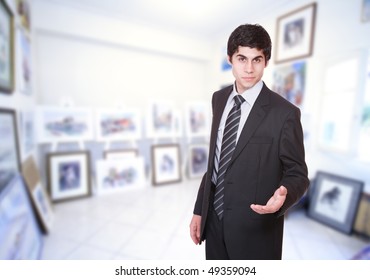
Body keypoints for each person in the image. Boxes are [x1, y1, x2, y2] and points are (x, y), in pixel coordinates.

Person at [189, 23, 309, 260]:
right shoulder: (219, 99)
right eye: (242, 58)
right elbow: (216, 160)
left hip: (255, 232)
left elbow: (298, 174)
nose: (249, 68)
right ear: (230, 59)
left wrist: (285, 195)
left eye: (257, 59)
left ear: (266, 62)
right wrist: (198, 210)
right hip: (213, 222)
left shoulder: (285, 113)